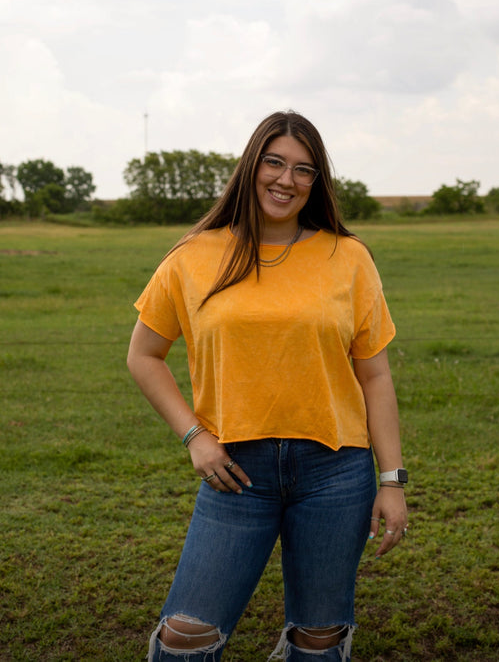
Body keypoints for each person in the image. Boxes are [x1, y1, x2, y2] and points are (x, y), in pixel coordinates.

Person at [127, 110, 408, 662]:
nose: (286, 180)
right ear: (250, 166)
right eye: (274, 162)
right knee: (185, 635)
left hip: (336, 473)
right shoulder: (193, 255)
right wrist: (194, 437)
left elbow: (374, 375)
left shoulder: (348, 257)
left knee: (319, 637)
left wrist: (392, 481)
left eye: (303, 170)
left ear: (316, 182)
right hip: (236, 473)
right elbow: (143, 355)